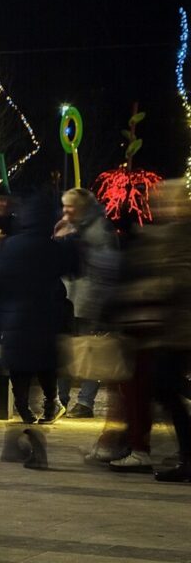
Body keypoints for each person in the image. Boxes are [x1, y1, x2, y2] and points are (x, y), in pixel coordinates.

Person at [107, 182, 191, 482]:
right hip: (166, 329)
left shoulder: (183, 235)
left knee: (165, 388)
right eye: (162, 202)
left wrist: (149, 288)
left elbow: (178, 277)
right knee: (164, 389)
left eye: (172, 202)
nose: (166, 207)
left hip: (179, 329)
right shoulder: (165, 234)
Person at [0, 192, 78, 425]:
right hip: (45, 319)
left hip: (13, 319)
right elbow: (76, 267)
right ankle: (49, 404)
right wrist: (67, 238)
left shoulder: (10, 246)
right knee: (46, 366)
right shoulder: (53, 248)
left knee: (20, 367)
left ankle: (23, 408)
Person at [54, 188, 118, 419]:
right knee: (64, 350)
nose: (65, 210)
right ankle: (60, 399)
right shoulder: (70, 227)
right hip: (68, 298)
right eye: (64, 205)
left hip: (87, 300)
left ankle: (84, 402)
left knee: (89, 351)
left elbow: (105, 265)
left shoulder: (98, 228)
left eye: (70, 205)